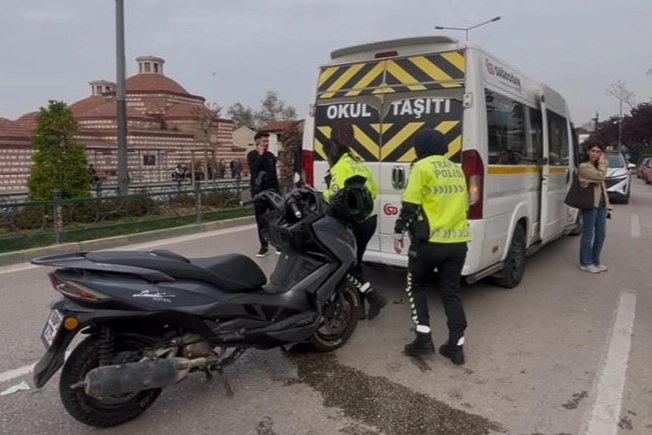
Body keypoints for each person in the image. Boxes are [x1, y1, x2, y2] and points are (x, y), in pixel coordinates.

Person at [393, 128, 470, 365]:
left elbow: (410, 205)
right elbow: (465, 205)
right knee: (451, 293)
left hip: (428, 244)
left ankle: (423, 338)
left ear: (421, 147)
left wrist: (398, 232)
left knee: (415, 286)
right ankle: (456, 347)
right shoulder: (456, 169)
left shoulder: (421, 167)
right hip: (457, 243)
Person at [322, 120, 387, 320]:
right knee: (356, 262)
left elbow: (335, 196)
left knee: (345, 264)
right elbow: (373, 191)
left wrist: (321, 194)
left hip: (354, 222)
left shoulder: (339, 168)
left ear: (331, 154)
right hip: (370, 220)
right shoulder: (359, 163)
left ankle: (373, 297)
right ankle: (361, 309)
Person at [578, 143, 612, 273]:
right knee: (588, 234)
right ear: (588, 152)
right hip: (590, 203)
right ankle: (585, 262)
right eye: (593, 151)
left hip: (601, 204)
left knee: (601, 234)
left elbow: (603, 187)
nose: (595, 154)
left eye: (598, 152)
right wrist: (603, 163)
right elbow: (600, 177)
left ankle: (595, 260)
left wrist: (608, 204)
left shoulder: (598, 167)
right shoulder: (584, 167)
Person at [247, 132, 280, 257]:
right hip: (259, 191)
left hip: (272, 190)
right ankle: (263, 246)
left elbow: (273, 173)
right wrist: (260, 154)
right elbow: (254, 170)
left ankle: (278, 244)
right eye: (264, 141)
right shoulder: (252, 155)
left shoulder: (270, 155)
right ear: (258, 142)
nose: (267, 144)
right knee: (261, 220)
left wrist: (277, 191)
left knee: (275, 218)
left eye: (268, 141)